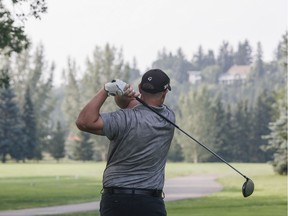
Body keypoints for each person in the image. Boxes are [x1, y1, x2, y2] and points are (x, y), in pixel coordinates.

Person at [76, 69, 175, 216]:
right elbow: (132, 105)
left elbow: (84, 121)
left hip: (116, 201)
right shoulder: (168, 118)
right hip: (150, 202)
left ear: (140, 88)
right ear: (165, 93)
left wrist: (106, 90)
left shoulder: (123, 119)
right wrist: (123, 97)